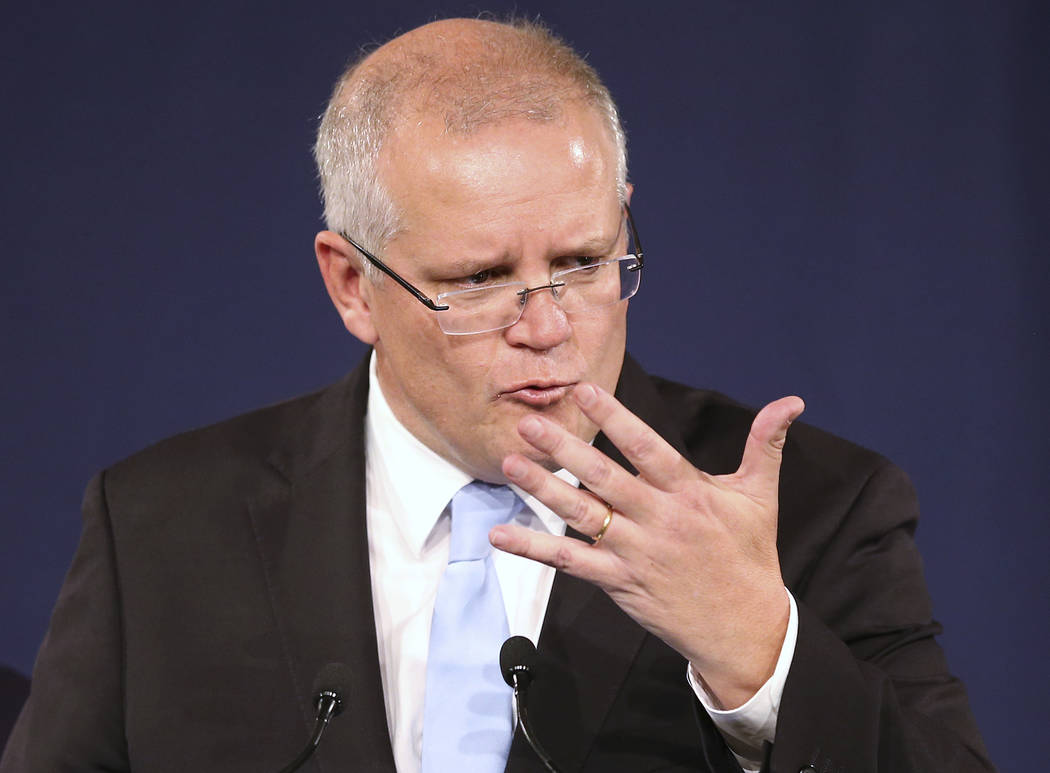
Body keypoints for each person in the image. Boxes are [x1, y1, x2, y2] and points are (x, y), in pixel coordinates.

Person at [2, 17, 994, 773]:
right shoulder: (163, 521)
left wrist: (760, 656)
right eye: (479, 280)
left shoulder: (809, 504)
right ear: (353, 284)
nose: (548, 325)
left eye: (581, 261)